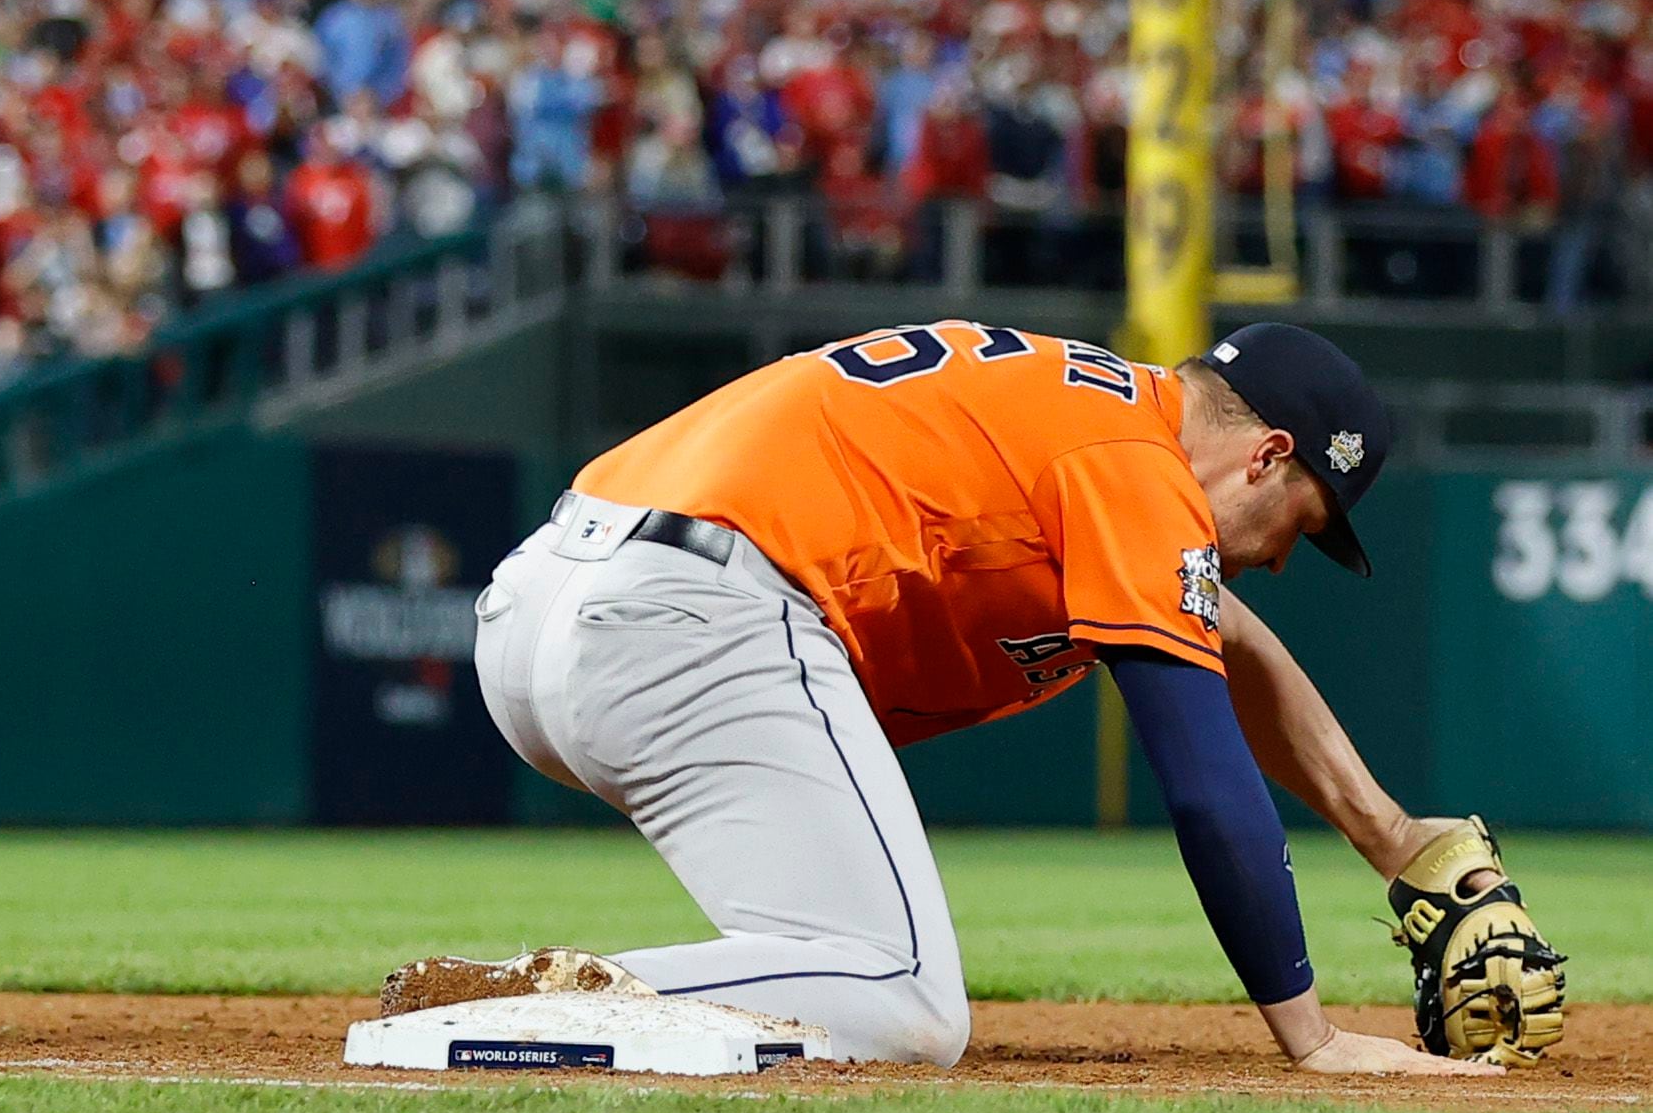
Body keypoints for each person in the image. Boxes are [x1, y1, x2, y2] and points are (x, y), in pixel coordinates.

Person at [431, 321, 1566, 1073]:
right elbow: (1210, 785)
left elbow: (1229, 637)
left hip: (554, 606)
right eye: (1303, 525)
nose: (1277, 559)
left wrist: (1389, 835)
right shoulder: (1134, 464)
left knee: (823, 952)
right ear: (1266, 454)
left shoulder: (1090, 427)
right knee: (904, 997)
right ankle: (536, 1003)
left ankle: (540, 997)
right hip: (695, 616)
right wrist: (1308, 1035)